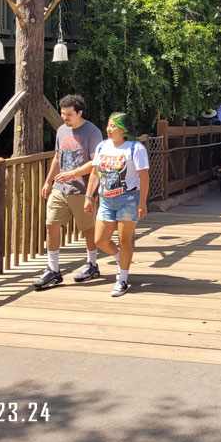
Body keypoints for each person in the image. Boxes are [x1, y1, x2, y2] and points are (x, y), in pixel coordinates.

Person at [34, 94, 105, 290]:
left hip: (82, 189)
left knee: (87, 228)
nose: (65, 117)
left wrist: (72, 174)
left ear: (80, 113)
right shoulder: (61, 130)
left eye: (69, 114)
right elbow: (58, 157)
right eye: (63, 113)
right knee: (51, 225)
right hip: (60, 188)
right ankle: (53, 269)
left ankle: (92, 264)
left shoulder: (92, 132)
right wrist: (48, 182)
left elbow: (95, 162)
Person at [84, 112, 150, 297]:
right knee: (100, 240)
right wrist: (88, 196)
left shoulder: (135, 148)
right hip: (105, 199)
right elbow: (95, 173)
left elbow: (144, 177)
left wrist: (142, 203)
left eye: (113, 126)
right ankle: (122, 260)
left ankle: (122, 279)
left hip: (129, 199)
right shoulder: (102, 146)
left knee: (124, 239)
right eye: (108, 125)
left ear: (124, 129)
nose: (109, 129)